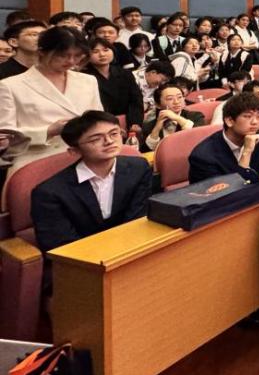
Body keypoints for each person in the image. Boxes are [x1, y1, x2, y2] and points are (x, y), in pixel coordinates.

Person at [30, 111, 153, 255]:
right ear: (74, 151)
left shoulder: (138, 168)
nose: (109, 141)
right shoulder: (49, 193)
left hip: (130, 251)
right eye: (96, 139)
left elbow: (137, 219)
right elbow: (60, 245)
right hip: (79, 260)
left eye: (114, 134)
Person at [0, 27, 102, 172]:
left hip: (84, 156)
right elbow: (5, 136)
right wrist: (47, 131)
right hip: (35, 160)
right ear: (42, 51)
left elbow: (98, 118)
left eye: (78, 56)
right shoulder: (11, 85)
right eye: (63, 55)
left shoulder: (88, 80)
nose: (71, 61)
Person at [188, 93, 259, 184]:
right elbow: (227, 190)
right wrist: (246, 153)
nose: (255, 122)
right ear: (229, 121)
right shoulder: (203, 156)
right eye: (248, 116)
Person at [81, 37, 145, 132]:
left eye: (106, 50)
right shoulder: (83, 77)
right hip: (99, 124)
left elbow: (136, 100)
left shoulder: (125, 73)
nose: (102, 54)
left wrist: (135, 122)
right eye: (95, 51)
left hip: (128, 123)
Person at [139, 83, 206, 153]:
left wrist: (177, 118)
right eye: (170, 99)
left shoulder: (196, 116)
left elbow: (199, 138)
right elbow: (145, 152)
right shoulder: (149, 126)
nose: (176, 102)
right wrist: (157, 128)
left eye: (179, 97)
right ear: (158, 105)